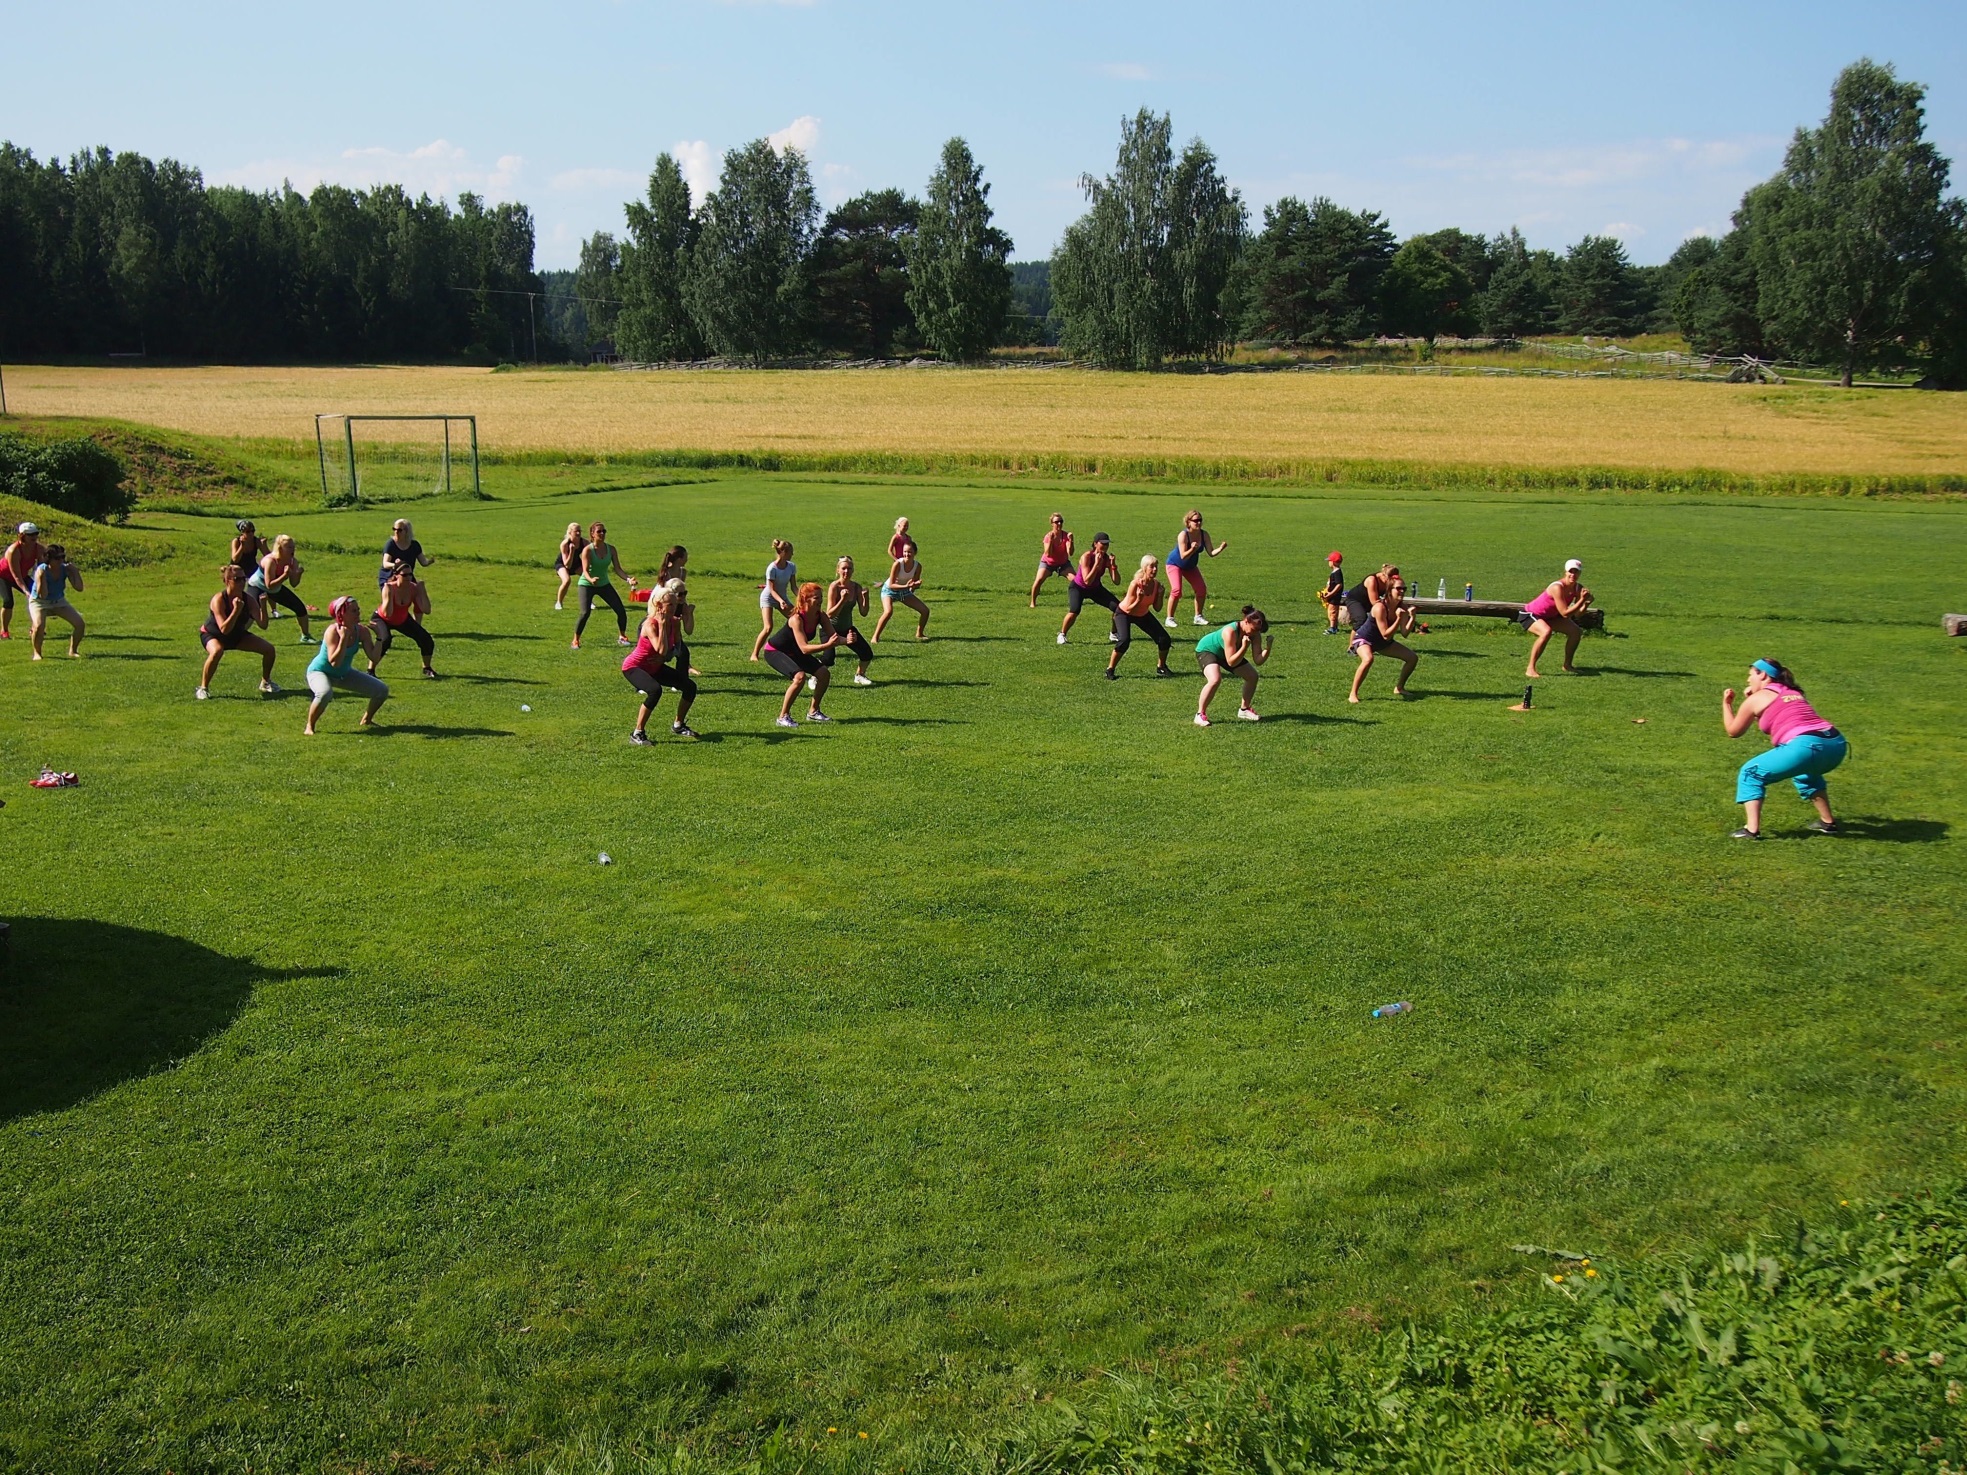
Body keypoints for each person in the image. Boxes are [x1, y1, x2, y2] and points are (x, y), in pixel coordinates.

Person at [1720, 659, 1846, 840]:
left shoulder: (1758, 698)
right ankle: (1827, 823)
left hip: (1806, 746)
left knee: (1751, 773)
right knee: (1806, 773)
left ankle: (1751, 830)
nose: (1748, 680)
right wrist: (1751, 699)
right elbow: (1772, 718)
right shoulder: (1793, 692)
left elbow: (1734, 731)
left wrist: (1727, 704)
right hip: (1836, 745)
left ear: (1762, 674)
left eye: (1750, 675)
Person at [623, 587, 699, 744]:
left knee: (690, 686)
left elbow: (676, 649)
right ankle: (637, 733)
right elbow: (661, 649)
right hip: (634, 667)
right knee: (654, 690)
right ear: (658, 605)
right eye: (669, 605)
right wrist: (663, 626)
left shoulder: (674, 623)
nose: (673, 608)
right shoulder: (650, 624)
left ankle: (678, 725)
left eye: (675, 604)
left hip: (655, 667)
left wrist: (665, 658)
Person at [303, 596, 388, 736]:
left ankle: (367, 720)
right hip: (320, 672)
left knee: (382, 690)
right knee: (325, 693)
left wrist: (379, 637)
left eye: (358, 610)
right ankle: (309, 726)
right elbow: (334, 662)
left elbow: (374, 657)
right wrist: (343, 639)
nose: (358, 613)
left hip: (343, 673)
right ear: (341, 614)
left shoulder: (361, 631)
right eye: (353, 611)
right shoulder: (332, 631)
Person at [762, 582, 842, 727]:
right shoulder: (796, 619)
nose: (820, 601)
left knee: (824, 674)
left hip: (795, 651)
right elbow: (804, 648)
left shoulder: (820, 616)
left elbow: (834, 636)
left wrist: (847, 640)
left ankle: (813, 712)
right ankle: (783, 716)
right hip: (775, 651)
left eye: (821, 597)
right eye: (816, 598)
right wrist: (827, 645)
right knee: (799, 677)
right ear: (805, 599)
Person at [197, 563, 278, 699]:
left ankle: (265, 682)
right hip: (213, 634)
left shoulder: (249, 600)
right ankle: (203, 688)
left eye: (243, 579)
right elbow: (224, 629)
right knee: (217, 651)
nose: (242, 582)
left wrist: (263, 606)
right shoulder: (219, 600)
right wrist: (236, 610)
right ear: (228, 581)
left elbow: (263, 625)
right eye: (237, 579)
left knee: (269, 649)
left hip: (236, 635)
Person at [1347, 575, 1419, 703]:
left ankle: (1399, 688)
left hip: (1382, 643)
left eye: (1404, 588)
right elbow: (1386, 634)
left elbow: (1404, 633)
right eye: (1398, 588)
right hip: (1364, 639)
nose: (1402, 591)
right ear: (1389, 590)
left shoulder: (1401, 607)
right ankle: (1353, 694)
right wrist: (1398, 618)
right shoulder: (1380, 608)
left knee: (1412, 658)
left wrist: (1412, 617)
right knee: (1368, 659)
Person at [1194, 606, 1270, 725]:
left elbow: (1258, 660)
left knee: (1252, 676)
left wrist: (1268, 648)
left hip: (1228, 654)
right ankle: (1200, 714)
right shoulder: (1230, 631)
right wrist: (1244, 647)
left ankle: (1244, 710)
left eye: (1258, 631)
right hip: (1208, 650)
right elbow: (1231, 662)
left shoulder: (1255, 633)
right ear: (1246, 621)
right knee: (1215, 679)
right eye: (1254, 629)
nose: (1255, 633)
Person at [1523, 558, 1593, 678]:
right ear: (1565, 572)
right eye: (1571, 571)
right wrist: (1582, 600)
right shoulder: (1557, 587)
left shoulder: (1578, 588)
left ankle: (1567, 665)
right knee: (1546, 632)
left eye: (1576, 572)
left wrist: (1586, 604)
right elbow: (1565, 613)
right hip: (1531, 614)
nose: (1573, 575)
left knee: (1575, 632)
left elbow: (1577, 615)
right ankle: (1530, 668)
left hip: (1551, 617)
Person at [1107, 555, 1174, 679]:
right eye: (1152, 567)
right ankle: (1110, 670)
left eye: (1156, 567)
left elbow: (1157, 609)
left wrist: (1160, 595)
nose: (1155, 570)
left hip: (1142, 614)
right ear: (1144, 568)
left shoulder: (1156, 585)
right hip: (1124, 613)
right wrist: (1139, 599)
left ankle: (1161, 667)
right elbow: (1129, 609)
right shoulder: (1135, 584)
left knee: (1164, 639)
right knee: (1124, 641)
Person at [571, 521, 636, 649]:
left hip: (604, 584)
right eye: (599, 531)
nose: (602, 533)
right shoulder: (587, 550)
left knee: (621, 611)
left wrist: (628, 579)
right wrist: (590, 579)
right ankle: (575, 640)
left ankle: (622, 637)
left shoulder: (611, 549)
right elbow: (584, 570)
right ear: (592, 534)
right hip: (586, 584)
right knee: (585, 613)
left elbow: (618, 569)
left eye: (604, 531)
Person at [370, 565, 438, 678]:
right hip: (382, 618)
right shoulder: (389, 588)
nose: (408, 577)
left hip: (402, 619)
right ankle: (370, 670)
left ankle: (427, 668)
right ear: (396, 575)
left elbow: (426, 610)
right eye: (404, 575)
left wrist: (422, 591)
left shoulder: (413, 588)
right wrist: (390, 595)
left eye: (410, 574)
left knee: (426, 639)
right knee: (385, 640)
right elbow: (388, 614)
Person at [1164, 509, 1228, 626]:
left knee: (1201, 589)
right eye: (1195, 521)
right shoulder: (1183, 535)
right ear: (1188, 522)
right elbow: (1183, 556)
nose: (1198, 523)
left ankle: (1198, 616)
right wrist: (1192, 549)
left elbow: (1211, 553)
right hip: (1175, 564)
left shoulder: (1204, 535)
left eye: (1200, 520)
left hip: (1190, 566)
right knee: (1177, 590)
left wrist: (1221, 548)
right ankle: (1169, 619)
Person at [250, 535, 315, 642]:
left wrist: (298, 574)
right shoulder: (271, 561)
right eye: (289, 547)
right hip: (257, 585)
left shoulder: (293, 562)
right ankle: (238, 634)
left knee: (300, 608)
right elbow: (269, 584)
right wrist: (284, 576)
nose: (292, 549)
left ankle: (306, 636)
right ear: (280, 548)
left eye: (293, 546)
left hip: (275, 588)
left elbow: (294, 584)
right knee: (250, 611)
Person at [1057, 532, 1119, 644]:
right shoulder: (1086, 557)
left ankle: (1113, 634)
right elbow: (1087, 580)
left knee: (1118, 608)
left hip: (1095, 589)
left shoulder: (1106, 558)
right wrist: (1096, 565)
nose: (1105, 547)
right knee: (1074, 610)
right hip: (1078, 587)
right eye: (1102, 544)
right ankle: (1062, 634)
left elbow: (1116, 582)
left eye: (1107, 544)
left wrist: (1113, 566)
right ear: (1095, 544)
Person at [824, 556, 876, 686]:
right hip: (829, 628)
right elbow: (829, 614)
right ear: (838, 570)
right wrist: (842, 600)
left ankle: (860, 675)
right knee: (828, 658)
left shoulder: (856, 587)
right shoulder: (834, 587)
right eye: (844, 568)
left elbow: (863, 613)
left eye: (849, 568)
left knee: (866, 653)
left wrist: (866, 598)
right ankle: (815, 676)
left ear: (853, 570)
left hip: (847, 628)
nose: (846, 571)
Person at [27, 544, 85, 660]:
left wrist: (75, 572)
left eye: (62, 557)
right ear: (49, 559)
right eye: (57, 558)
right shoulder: (41, 570)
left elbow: (79, 588)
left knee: (80, 624)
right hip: (39, 602)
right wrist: (42, 578)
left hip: (58, 601)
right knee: (38, 626)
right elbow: (43, 595)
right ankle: (37, 653)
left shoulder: (65, 569)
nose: (61, 561)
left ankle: (73, 651)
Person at [749, 539, 798, 662]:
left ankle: (794, 649)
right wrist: (781, 601)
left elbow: (793, 587)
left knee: (797, 620)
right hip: (769, 598)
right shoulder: (772, 568)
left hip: (782, 597)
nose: (792, 554)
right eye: (791, 552)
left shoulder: (791, 567)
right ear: (783, 552)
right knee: (768, 627)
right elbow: (771, 589)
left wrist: (802, 598)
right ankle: (754, 654)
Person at [873, 538, 930, 642]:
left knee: (925, 611)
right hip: (889, 591)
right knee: (888, 611)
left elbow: (913, 585)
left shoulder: (917, 566)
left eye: (909, 552)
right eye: (905, 552)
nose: (906, 554)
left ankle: (919, 633)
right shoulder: (898, 564)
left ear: (915, 553)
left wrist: (916, 585)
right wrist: (907, 587)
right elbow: (891, 585)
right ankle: (875, 637)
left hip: (904, 591)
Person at [2, 522, 46, 640]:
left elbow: (41, 570)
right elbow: (16, 576)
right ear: (22, 535)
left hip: (22, 575)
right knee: (8, 601)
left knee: (39, 598)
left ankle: (35, 627)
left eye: (36, 533)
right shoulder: (14, 551)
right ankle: (4, 631)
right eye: (30, 534)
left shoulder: (39, 549)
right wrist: (26, 591)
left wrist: (39, 586)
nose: (34, 537)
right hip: (4, 576)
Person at [1029, 513, 1075, 606]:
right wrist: (1050, 541)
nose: (1059, 524)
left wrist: (1071, 541)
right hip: (1048, 563)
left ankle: (1077, 601)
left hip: (1063, 564)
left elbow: (1070, 553)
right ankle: (1033, 602)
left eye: (1061, 521)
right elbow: (1048, 553)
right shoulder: (1048, 536)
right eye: (1056, 522)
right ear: (1052, 524)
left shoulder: (1066, 536)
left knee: (1076, 581)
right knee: (1038, 580)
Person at [379, 518, 433, 589]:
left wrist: (431, 561)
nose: (396, 532)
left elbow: (423, 562)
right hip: (390, 577)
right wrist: (397, 565)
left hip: (407, 577)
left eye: (399, 530)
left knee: (419, 593)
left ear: (407, 531)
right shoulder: (391, 544)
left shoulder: (414, 545)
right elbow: (385, 564)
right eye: (394, 529)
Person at [552, 521, 585, 610]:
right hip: (563, 564)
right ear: (570, 532)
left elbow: (592, 550)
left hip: (576, 563)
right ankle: (559, 602)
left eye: (579, 531)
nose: (578, 533)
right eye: (576, 531)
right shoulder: (565, 544)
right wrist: (572, 551)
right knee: (566, 580)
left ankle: (588, 602)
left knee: (588, 578)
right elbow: (567, 565)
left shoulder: (583, 542)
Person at [1318, 551, 1346, 634]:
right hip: (1332, 595)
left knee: (1332, 611)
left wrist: (1331, 593)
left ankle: (1332, 628)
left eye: (1329, 561)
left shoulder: (1337, 573)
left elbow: (1339, 585)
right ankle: (1334, 626)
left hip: (1335, 596)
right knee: (1331, 610)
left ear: (1333, 562)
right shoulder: (1335, 572)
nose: (1328, 563)